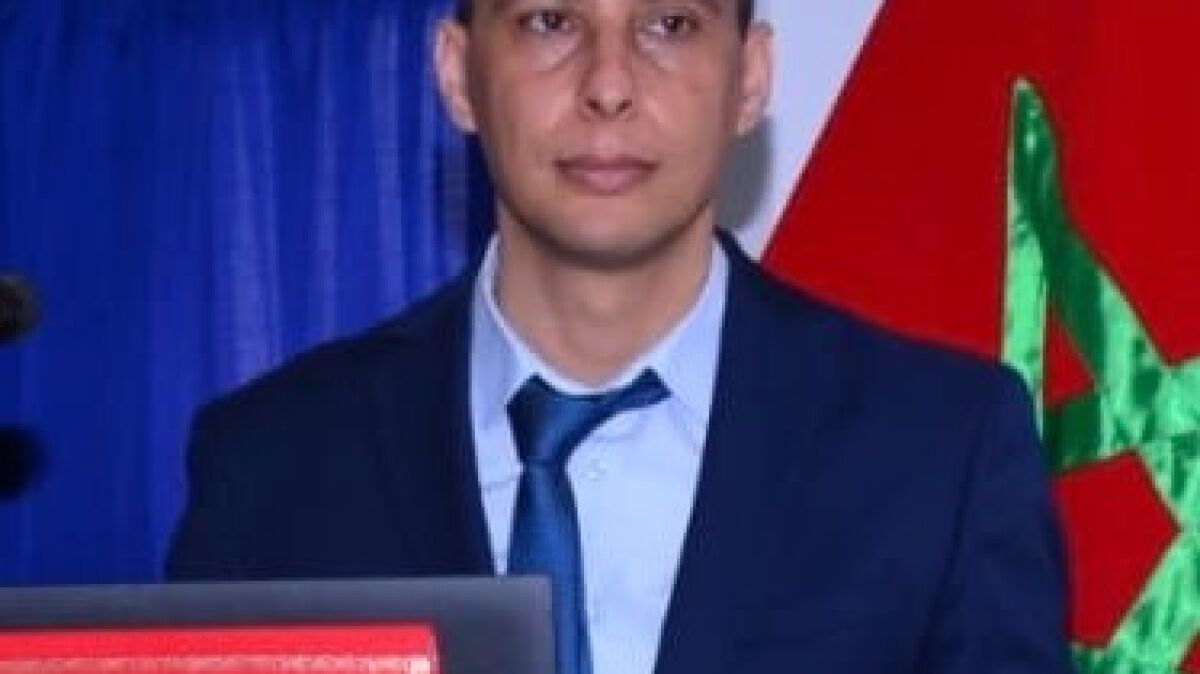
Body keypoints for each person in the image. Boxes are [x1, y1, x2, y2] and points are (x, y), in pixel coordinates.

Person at [167, 1, 1074, 672]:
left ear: (751, 78)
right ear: (456, 73)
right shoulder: (274, 463)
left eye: (669, 25)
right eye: (550, 22)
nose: (608, 86)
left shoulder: (941, 451)